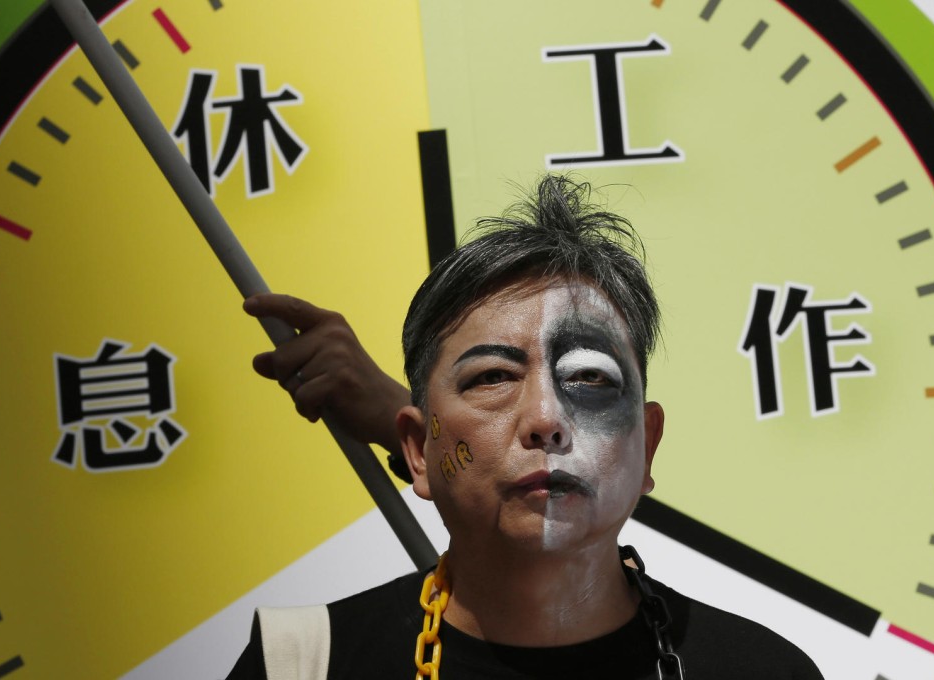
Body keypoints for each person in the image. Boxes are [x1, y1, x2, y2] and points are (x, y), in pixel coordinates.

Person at [228, 175, 824, 679]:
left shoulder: (764, 670)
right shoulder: (303, 666)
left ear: (648, 446)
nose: (545, 420)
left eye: (591, 378)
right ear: (415, 450)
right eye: (491, 377)